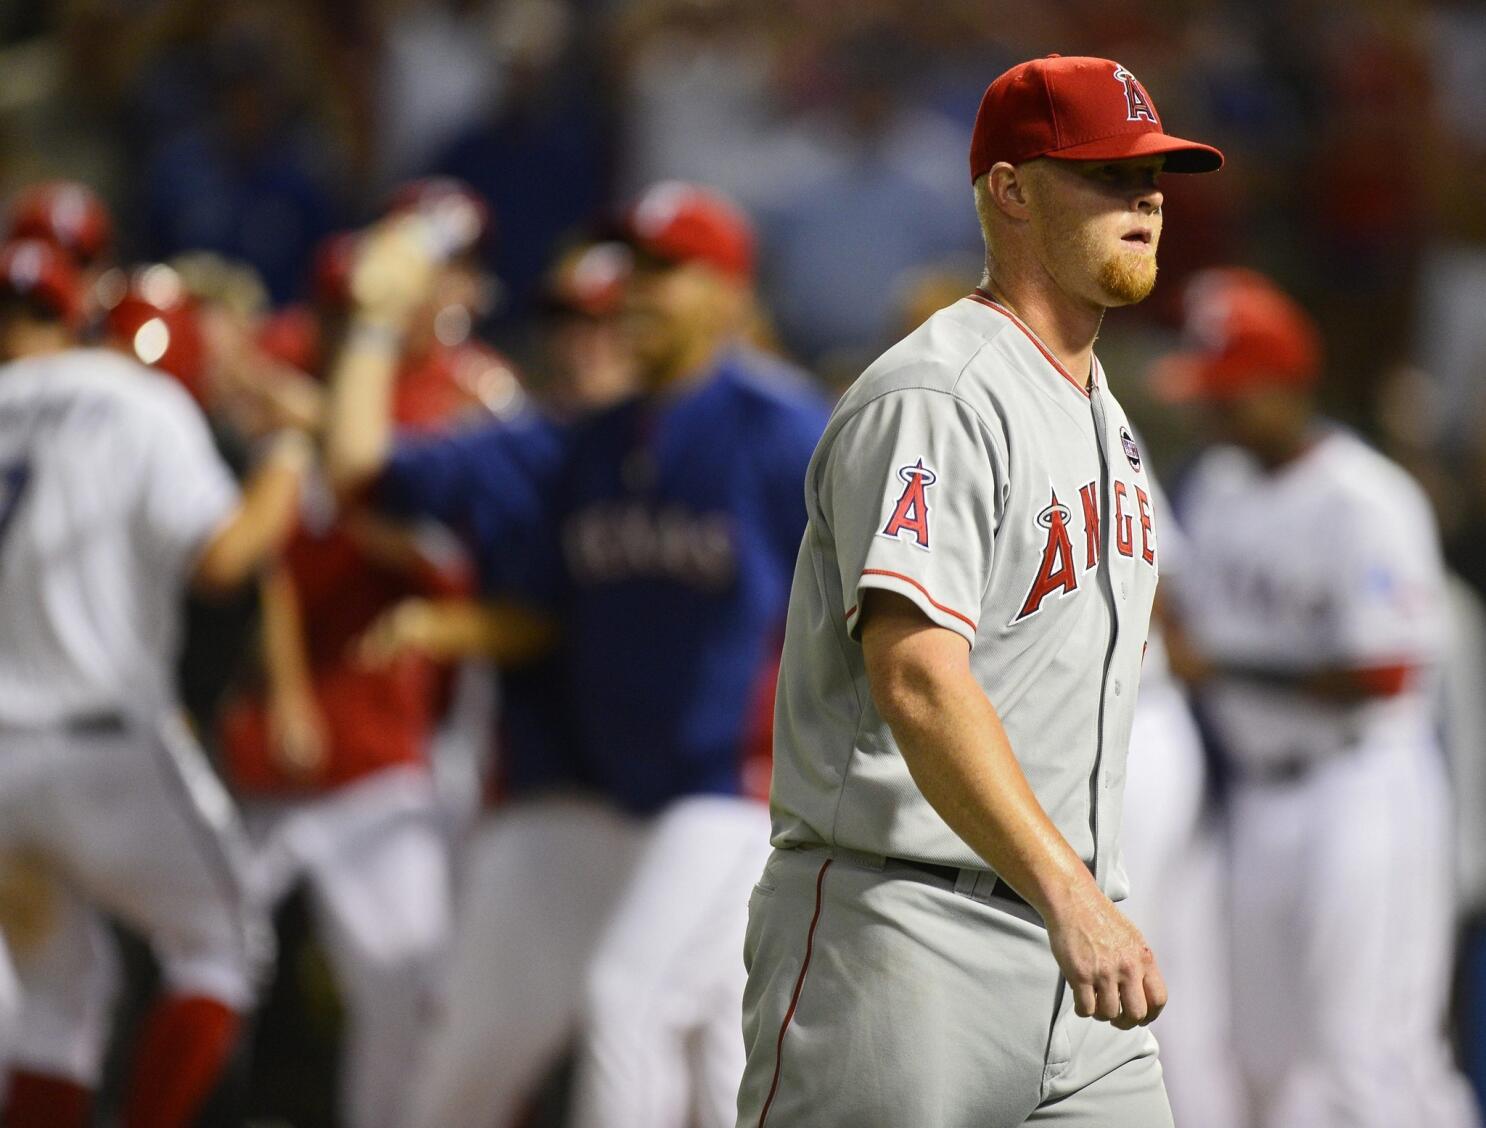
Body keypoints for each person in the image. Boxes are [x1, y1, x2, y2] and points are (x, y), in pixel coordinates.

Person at [735, 54, 1223, 1127]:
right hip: (905, 937)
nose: (1143, 198)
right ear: (1009, 191)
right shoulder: (937, 394)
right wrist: (1068, 896)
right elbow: (915, 677)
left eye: (1152, 175)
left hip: (1078, 960)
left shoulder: (1107, 416)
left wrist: (1077, 903)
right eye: (1103, 172)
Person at [325, 182, 831, 1128]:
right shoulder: (576, 449)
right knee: (686, 1049)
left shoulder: (782, 430)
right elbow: (366, 476)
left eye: (662, 272)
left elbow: (896, 582)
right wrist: (373, 322)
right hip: (604, 803)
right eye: (625, 271)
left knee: (638, 1006)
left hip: (742, 789)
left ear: (729, 291)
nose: (633, 293)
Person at [1155, 267, 1480, 1128]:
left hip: (1362, 788)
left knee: (1366, 1057)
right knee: (1265, 1063)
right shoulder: (1219, 487)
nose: (1213, 413)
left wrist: (1219, 666)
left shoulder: (1366, 498)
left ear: (1286, 383)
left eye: (1231, 393)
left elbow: (1385, 673)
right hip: (1260, 798)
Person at [0, 237, 310, 1127]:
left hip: (2, 766)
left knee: (61, 993)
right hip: (102, 742)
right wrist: (288, 450)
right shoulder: (142, 404)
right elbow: (227, 559)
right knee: (225, 945)